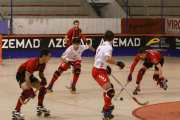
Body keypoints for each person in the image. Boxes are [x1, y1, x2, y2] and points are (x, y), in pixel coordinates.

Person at [92, 30, 125, 120]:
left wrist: (105, 67)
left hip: (101, 70)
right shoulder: (109, 47)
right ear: (113, 39)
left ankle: (107, 105)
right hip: (98, 72)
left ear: (104, 38)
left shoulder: (100, 45)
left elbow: (97, 58)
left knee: (110, 88)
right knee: (110, 91)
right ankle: (106, 111)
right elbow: (107, 58)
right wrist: (117, 63)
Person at [12, 48, 51, 120]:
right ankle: (16, 111)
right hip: (21, 75)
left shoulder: (43, 64)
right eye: (49, 56)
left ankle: (40, 106)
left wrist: (43, 79)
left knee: (43, 90)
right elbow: (27, 77)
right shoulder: (32, 62)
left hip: (29, 75)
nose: (50, 58)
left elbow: (41, 73)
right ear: (44, 56)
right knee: (26, 92)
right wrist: (31, 89)